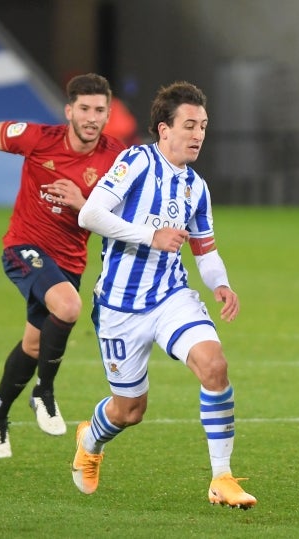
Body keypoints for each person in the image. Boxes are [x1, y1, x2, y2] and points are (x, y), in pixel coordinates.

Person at [73, 81, 256, 509]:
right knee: (130, 410)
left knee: (214, 366)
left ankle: (222, 477)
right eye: (189, 125)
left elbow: (205, 251)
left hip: (170, 295)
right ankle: (91, 438)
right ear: (164, 130)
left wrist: (221, 285)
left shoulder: (197, 187)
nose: (198, 135)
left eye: (204, 126)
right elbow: (90, 213)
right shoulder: (135, 161)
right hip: (119, 305)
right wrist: (148, 235)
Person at [0, 73, 125, 458]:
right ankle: (43, 393)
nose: (92, 117)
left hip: (69, 261)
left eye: (99, 110)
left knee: (34, 343)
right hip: (24, 247)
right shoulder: (37, 138)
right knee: (69, 306)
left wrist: (83, 203)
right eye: (84, 109)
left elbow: (124, 213)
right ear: (69, 111)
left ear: (108, 114)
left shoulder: (117, 158)